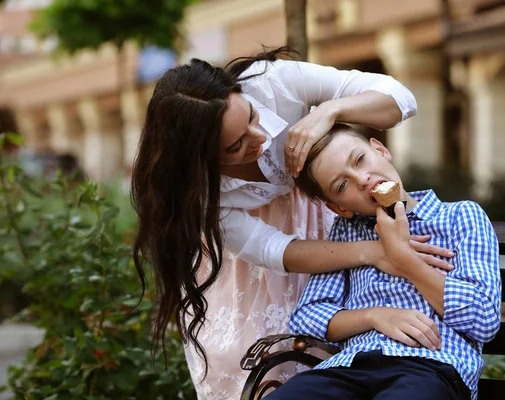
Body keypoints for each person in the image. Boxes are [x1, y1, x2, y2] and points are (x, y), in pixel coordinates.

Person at [130, 48, 457, 399]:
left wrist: (331, 111)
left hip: (329, 223)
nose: (260, 138)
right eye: (236, 145)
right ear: (201, 158)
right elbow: (272, 248)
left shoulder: (274, 83)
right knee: (263, 367)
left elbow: (400, 99)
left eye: (253, 117)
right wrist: (372, 252)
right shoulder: (198, 192)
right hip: (262, 267)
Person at [264, 124, 501, 400]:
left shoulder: (461, 216)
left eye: (360, 160)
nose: (361, 179)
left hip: (430, 366)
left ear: (380, 149)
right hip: (350, 368)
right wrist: (375, 316)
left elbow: (484, 320)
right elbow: (307, 317)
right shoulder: (347, 232)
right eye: (342, 185)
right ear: (340, 207)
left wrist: (404, 260)